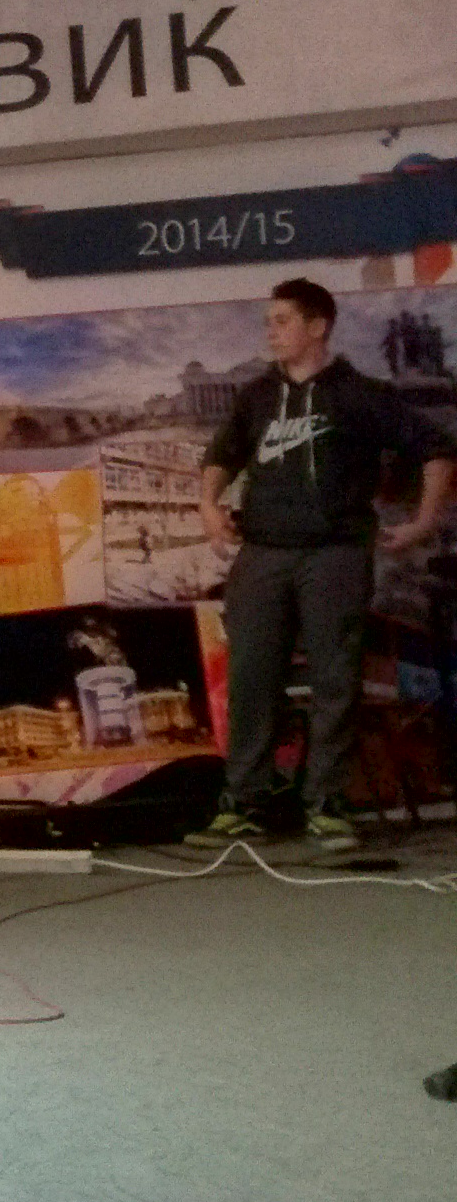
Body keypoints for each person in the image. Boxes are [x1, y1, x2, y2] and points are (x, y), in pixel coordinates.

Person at [190, 278, 453, 853]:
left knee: (335, 679)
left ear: (317, 327)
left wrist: (423, 523)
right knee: (252, 677)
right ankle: (245, 803)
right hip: (263, 554)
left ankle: (326, 804)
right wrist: (209, 506)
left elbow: (436, 451)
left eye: (282, 320)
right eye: (269, 321)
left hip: (335, 554)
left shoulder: (359, 394)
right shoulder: (256, 396)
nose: (271, 331)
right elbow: (222, 455)